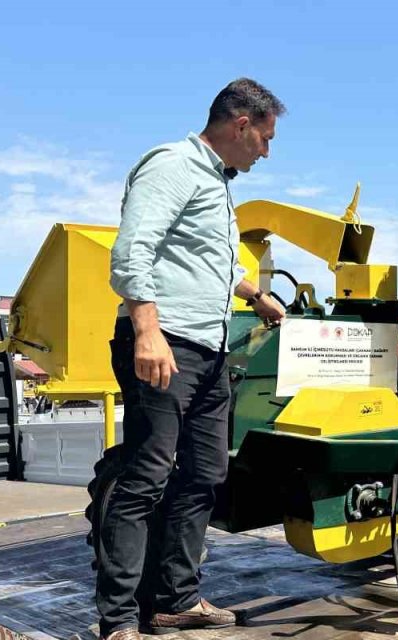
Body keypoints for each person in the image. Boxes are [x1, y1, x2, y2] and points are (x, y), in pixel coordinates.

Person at [99, 78, 287, 640]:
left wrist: (256, 295)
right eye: (265, 139)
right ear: (241, 125)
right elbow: (133, 250)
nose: (267, 152)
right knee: (145, 478)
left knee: (207, 473)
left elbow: (211, 261)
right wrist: (147, 332)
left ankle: (176, 600)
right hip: (167, 345)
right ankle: (117, 620)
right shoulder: (171, 166)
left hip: (209, 349)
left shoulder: (216, 184)